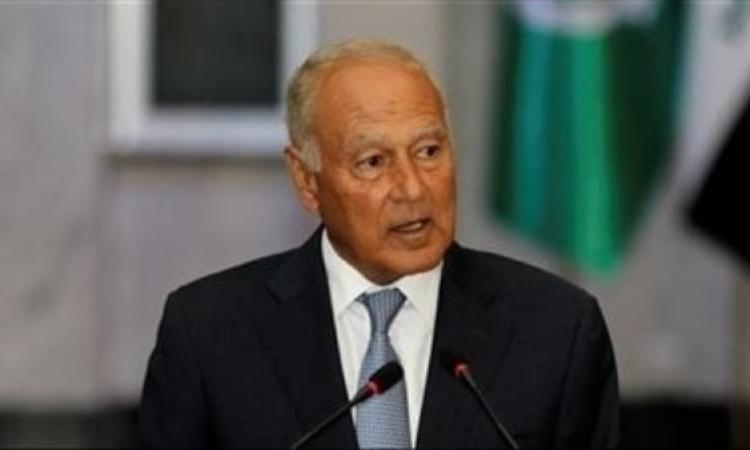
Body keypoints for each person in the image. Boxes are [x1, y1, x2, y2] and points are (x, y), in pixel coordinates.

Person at [139, 38, 619, 449]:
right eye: (373, 162)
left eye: (429, 151)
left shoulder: (558, 330)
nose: (412, 188)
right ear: (306, 179)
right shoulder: (208, 334)